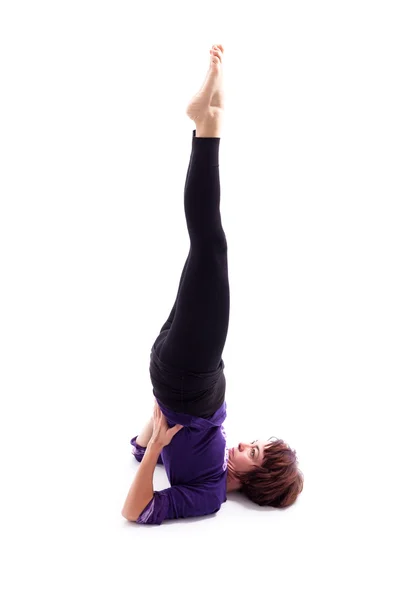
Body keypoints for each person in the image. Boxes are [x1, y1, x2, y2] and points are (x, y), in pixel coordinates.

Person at [122, 44, 304, 525]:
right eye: (258, 444)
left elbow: (135, 509)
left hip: (189, 378)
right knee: (202, 253)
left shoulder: (208, 494)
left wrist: (157, 443)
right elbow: (137, 444)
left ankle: (209, 124)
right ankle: (207, 121)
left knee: (210, 249)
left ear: (256, 480)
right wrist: (153, 436)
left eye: (255, 454)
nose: (247, 443)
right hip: (183, 372)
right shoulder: (211, 458)